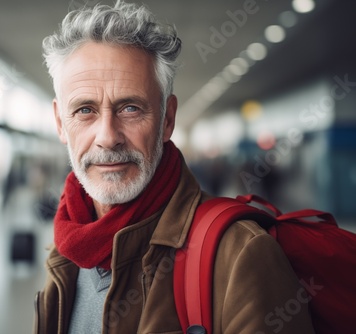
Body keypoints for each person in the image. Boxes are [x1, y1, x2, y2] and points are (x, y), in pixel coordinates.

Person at [35, 1, 315, 333]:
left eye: (130, 108)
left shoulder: (240, 255)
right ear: (59, 123)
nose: (108, 137)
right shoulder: (65, 251)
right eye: (85, 110)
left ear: (167, 119)